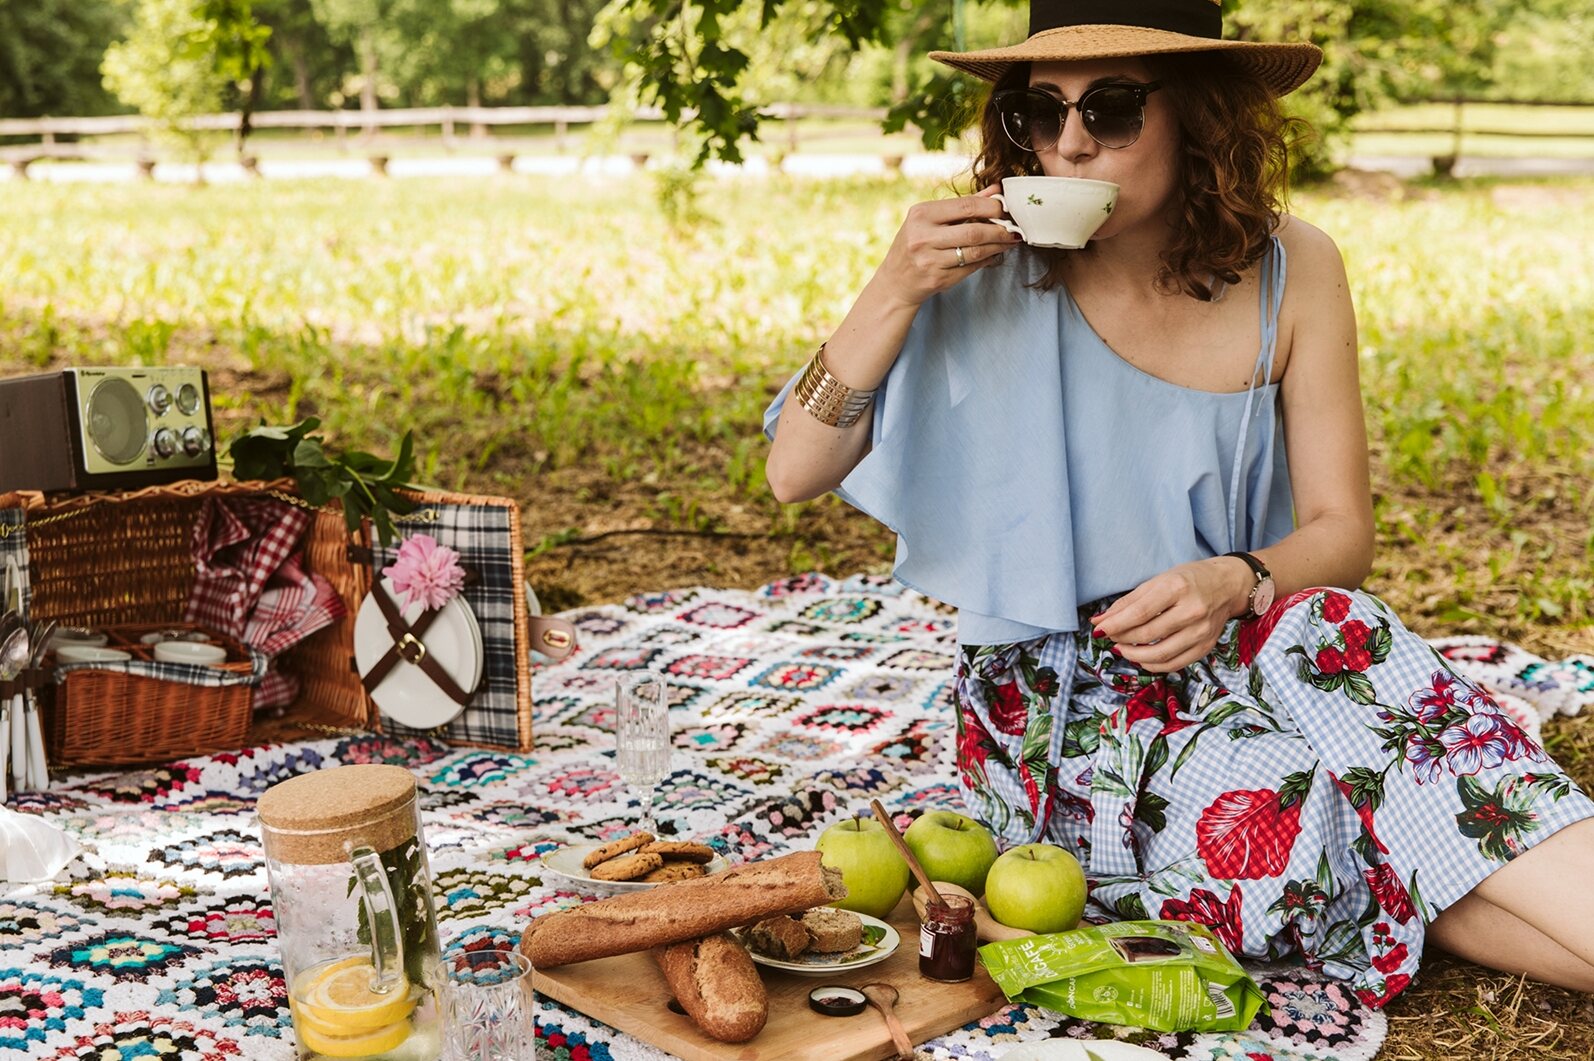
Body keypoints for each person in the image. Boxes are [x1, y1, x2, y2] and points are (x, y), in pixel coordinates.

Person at [762, 0, 1594, 1008]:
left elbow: (1341, 532)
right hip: (1055, 707)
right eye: (1039, 111)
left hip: (1243, 647)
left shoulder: (1296, 269)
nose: (1068, 142)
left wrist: (1231, 579)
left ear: (1197, 116)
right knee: (1326, 815)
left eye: (1111, 109)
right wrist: (890, 290)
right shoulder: (971, 267)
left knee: (1336, 629)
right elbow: (793, 470)